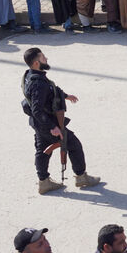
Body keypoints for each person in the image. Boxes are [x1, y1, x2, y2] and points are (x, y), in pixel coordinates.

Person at [21, 47, 99, 193]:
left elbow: (52, 91)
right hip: (47, 123)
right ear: (37, 63)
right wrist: (52, 127)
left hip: (39, 123)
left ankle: (43, 182)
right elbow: (37, 109)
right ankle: (81, 177)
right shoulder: (38, 84)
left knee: (42, 150)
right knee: (74, 144)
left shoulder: (30, 75)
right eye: (43, 58)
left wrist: (66, 96)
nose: (47, 59)